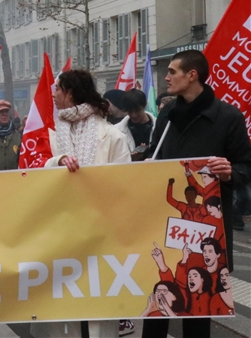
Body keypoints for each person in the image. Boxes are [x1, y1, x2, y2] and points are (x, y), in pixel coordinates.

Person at [142, 49, 251, 338]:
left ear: (192, 76)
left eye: (172, 72)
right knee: (159, 293)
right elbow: (154, 157)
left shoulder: (228, 117)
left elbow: (245, 167)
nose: (166, 77)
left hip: (206, 230)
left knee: (199, 301)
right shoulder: (167, 115)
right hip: (164, 222)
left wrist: (230, 172)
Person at [38, 71, 131, 338]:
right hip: (60, 233)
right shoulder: (52, 133)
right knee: (65, 313)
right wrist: (58, 162)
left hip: (100, 236)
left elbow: (124, 187)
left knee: (96, 315)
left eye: (57, 89)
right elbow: (34, 177)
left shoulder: (112, 135)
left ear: (71, 92)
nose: (53, 94)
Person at [113, 89, 155, 160]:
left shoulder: (160, 127)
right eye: (130, 111)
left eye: (137, 110)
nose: (133, 115)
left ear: (145, 105)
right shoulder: (116, 130)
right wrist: (129, 158)